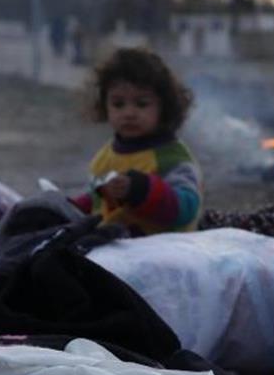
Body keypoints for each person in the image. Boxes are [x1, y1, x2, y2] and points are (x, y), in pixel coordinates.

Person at [69, 48, 203, 236]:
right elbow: (100, 199)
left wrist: (141, 190)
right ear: (104, 106)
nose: (129, 113)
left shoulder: (171, 157)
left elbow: (187, 207)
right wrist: (71, 208)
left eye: (141, 104)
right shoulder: (105, 157)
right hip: (115, 248)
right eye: (118, 104)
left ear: (163, 107)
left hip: (162, 250)